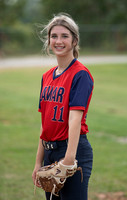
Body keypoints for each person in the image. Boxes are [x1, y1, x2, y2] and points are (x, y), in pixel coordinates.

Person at [32, 13, 94, 200]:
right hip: (49, 153)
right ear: (49, 40)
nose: (58, 41)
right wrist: (38, 163)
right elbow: (45, 124)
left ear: (75, 40)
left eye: (64, 36)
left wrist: (68, 161)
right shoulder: (47, 76)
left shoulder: (80, 74)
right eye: (54, 36)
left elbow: (74, 120)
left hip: (72, 151)